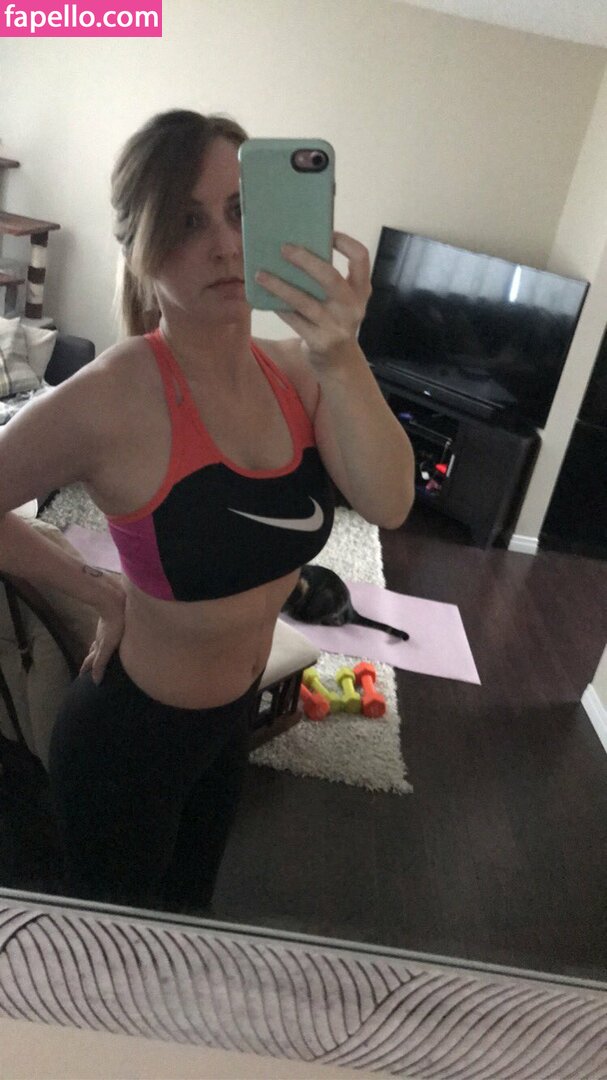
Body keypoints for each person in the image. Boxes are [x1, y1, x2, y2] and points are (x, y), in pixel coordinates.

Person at [0, 109, 414, 913]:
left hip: (230, 723)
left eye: (240, 212)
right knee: (116, 956)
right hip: (126, 743)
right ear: (139, 245)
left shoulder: (303, 370)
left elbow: (390, 500)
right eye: (188, 222)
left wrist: (340, 351)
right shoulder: (108, 398)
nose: (225, 245)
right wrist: (97, 591)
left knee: (191, 921)